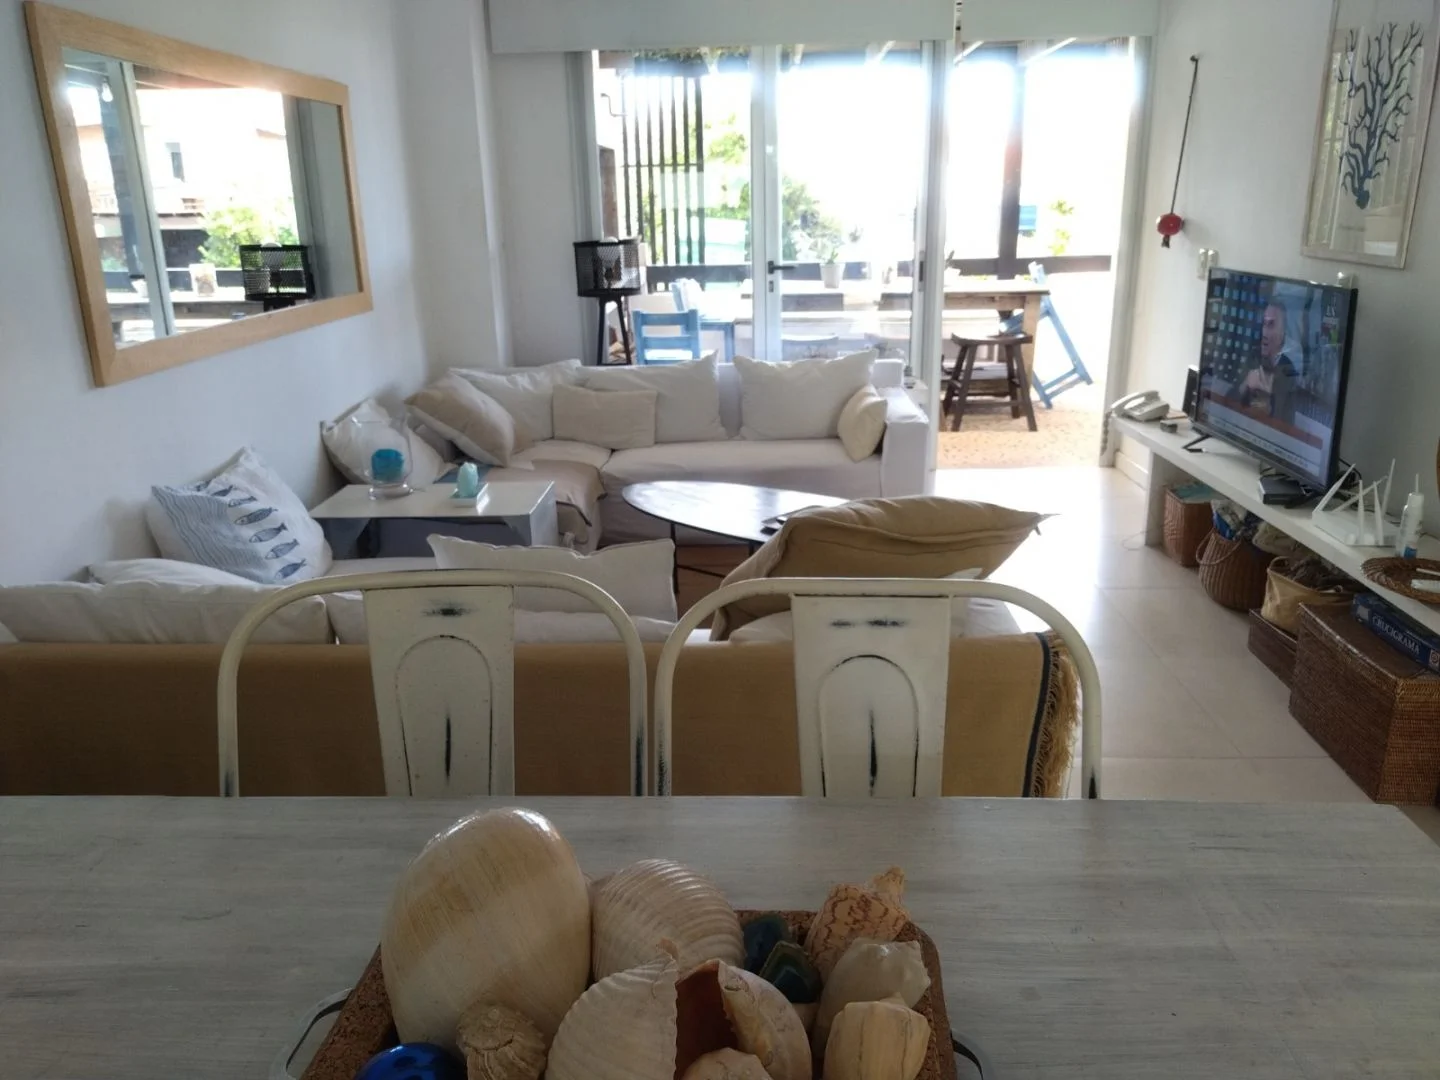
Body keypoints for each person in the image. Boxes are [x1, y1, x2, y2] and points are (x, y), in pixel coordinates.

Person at [1238, 301, 1298, 424]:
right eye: (1264, 324)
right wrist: (1246, 384)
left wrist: (1269, 397)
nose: (1264, 333)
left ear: (1283, 333)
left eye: (1271, 325)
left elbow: (1287, 422)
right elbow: (1228, 399)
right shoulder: (1253, 356)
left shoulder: (1288, 370)